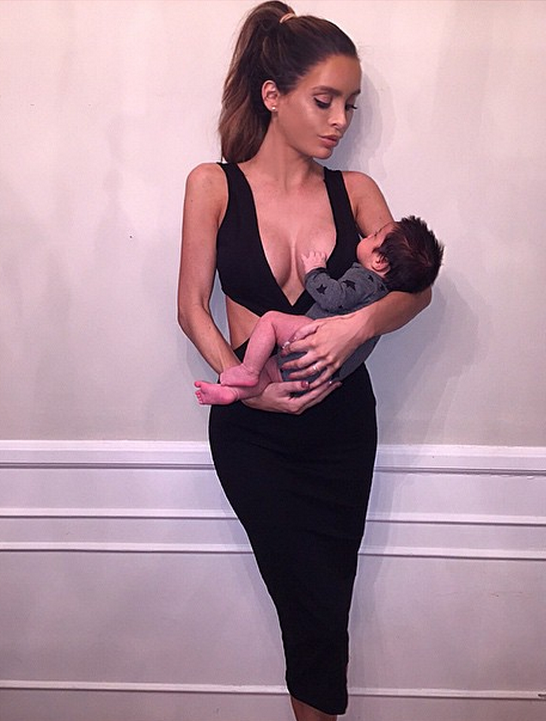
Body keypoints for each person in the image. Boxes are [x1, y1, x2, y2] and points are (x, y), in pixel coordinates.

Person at [177, 2, 432, 719]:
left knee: (326, 603)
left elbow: (415, 289)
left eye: (350, 105)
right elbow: (192, 307)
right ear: (272, 95)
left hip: (340, 431)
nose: (340, 120)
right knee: (306, 598)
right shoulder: (212, 184)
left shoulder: (356, 192)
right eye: (324, 101)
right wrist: (245, 388)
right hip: (253, 431)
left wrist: (356, 329)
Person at [194, 216, 443, 405]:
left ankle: (247, 370)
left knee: (271, 322)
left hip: (312, 337)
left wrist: (315, 271)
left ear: (379, 261)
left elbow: (333, 297)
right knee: (272, 372)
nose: (368, 235)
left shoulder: (364, 279)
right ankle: (233, 393)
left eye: (375, 235)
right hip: (327, 375)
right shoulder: (385, 294)